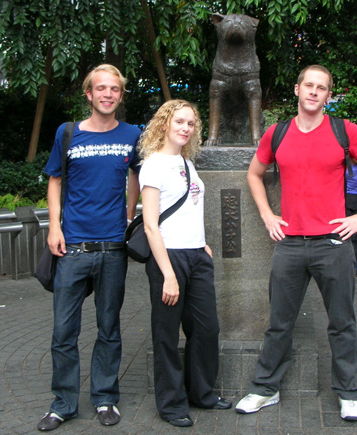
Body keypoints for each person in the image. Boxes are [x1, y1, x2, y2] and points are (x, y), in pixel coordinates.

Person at [236, 65, 357, 421]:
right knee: (279, 323)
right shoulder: (276, 134)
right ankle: (265, 389)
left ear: (328, 95)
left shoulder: (345, 131)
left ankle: (349, 392)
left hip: (333, 244)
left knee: (342, 322)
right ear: (297, 89)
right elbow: (254, 173)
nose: (314, 91)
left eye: (321, 88)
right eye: (308, 85)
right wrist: (267, 214)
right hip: (290, 245)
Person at [37, 64, 141, 431]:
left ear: (121, 95)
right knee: (63, 331)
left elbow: (140, 175)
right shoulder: (68, 134)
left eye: (115, 89)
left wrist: (129, 214)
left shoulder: (133, 135)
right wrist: (54, 227)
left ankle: (105, 398)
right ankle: (63, 402)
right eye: (101, 88)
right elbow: (54, 180)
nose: (108, 94)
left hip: (113, 248)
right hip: (72, 248)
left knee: (109, 328)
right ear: (89, 93)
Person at [138, 100, 231, 427]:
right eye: (179, 121)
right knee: (166, 334)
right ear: (165, 124)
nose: (185, 128)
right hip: (169, 258)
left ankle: (202, 393)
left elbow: (190, 208)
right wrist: (168, 274)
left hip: (196, 255)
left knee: (207, 329)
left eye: (190, 123)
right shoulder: (153, 165)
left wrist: (202, 244)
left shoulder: (187, 162)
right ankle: (172, 404)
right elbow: (150, 224)